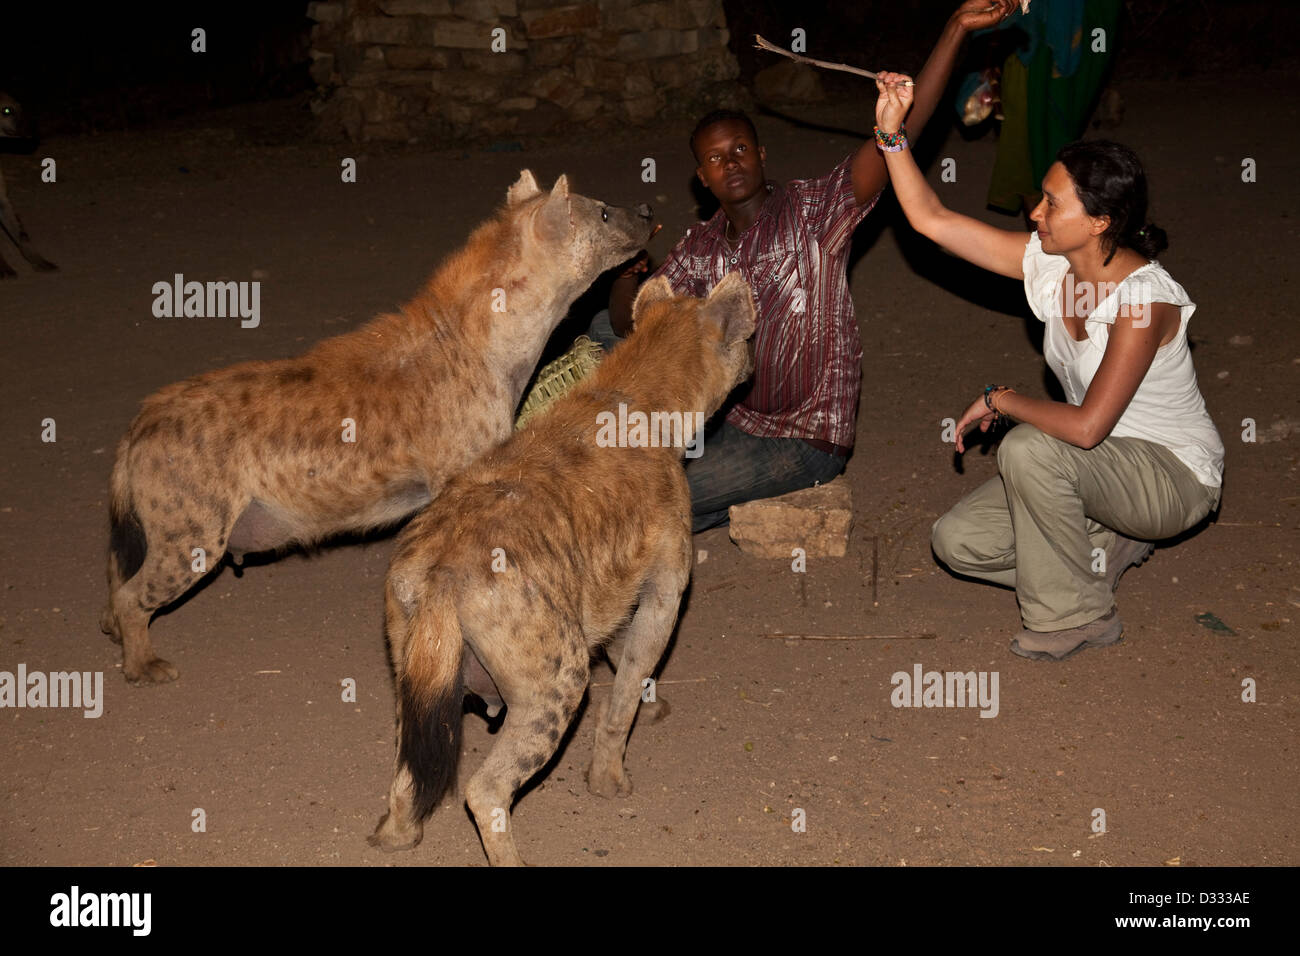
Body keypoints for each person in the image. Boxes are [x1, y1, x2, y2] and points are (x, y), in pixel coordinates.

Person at [589, 0, 1022, 532]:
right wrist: (627, 273)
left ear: (762, 154)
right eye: (717, 158)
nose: (732, 163)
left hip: (805, 436)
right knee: (608, 385)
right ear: (702, 177)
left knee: (652, 496)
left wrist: (956, 28)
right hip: (734, 420)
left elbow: (904, 129)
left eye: (740, 148)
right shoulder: (701, 248)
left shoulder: (816, 210)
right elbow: (629, 322)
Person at [873, 69, 1224, 661]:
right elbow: (932, 220)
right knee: (957, 542)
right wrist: (891, 135)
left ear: (1099, 222)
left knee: (1028, 447)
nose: (1034, 211)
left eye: (1052, 203)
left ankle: (1077, 617)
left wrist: (1000, 400)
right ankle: (1100, 551)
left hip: (1173, 478)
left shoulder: (1144, 301)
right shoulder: (1054, 265)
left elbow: (1087, 428)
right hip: (1096, 469)